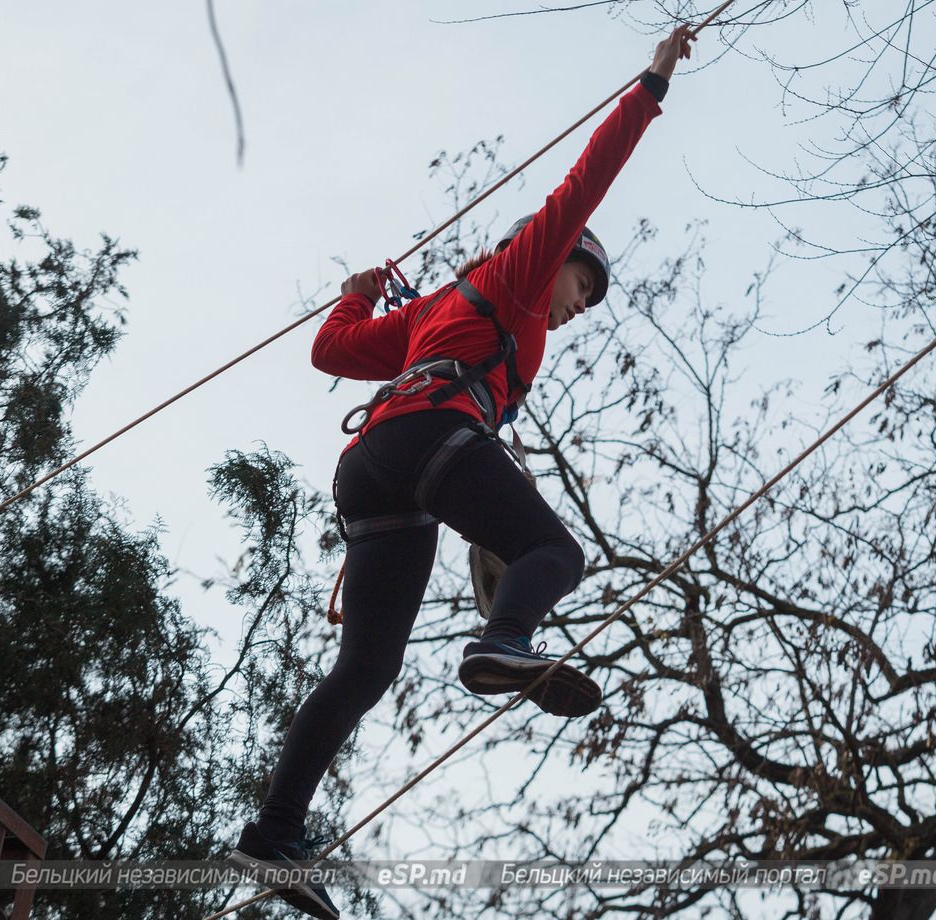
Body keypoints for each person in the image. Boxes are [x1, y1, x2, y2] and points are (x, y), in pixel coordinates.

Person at [228, 26, 696, 920]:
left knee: (366, 669)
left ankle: (273, 834)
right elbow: (587, 179)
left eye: (588, 299)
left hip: (374, 473)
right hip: (429, 441)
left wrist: (359, 292)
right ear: (550, 254)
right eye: (583, 285)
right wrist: (653, 84)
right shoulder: (516, 276)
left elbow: (331, 348)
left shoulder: (437, 311)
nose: (579, 307)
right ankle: (501, 642)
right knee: (556, 555)